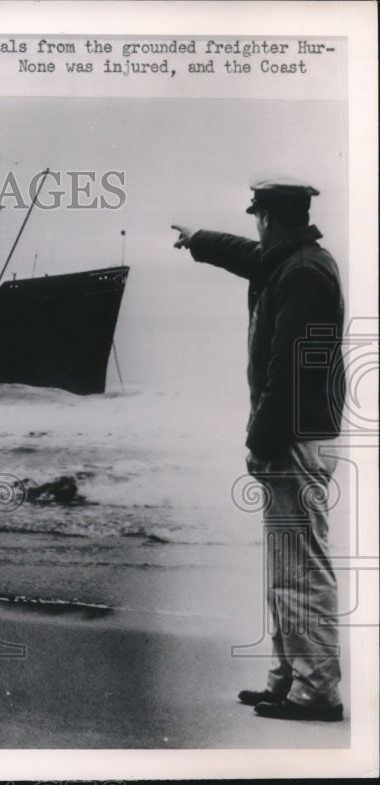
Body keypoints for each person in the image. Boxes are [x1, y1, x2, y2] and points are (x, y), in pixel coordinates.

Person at [171, 176, 346, 721]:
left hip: (294, 438)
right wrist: (200, 239)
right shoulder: (297, 262)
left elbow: (288, 369)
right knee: (286, 565)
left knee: (300, 568)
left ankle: (316, 692)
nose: (255, 227)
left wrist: (259, 441)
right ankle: (291, 679)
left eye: (257, 218)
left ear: (269, 218)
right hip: (296, 435)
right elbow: (250, 256)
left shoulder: (303, 274)